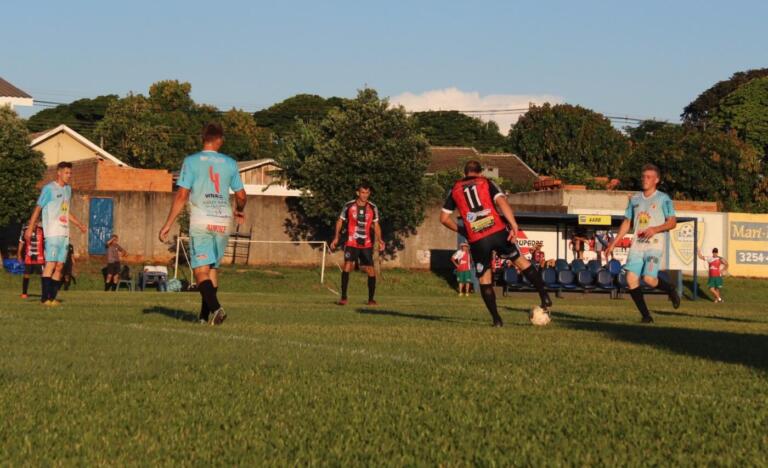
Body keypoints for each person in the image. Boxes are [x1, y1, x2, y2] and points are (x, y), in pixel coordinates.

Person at [440, 160, 552, 327]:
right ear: (479, 172)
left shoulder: (455, 189)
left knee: (485, 279)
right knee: (521, 262)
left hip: (477, 239)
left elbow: (443, 219)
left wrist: (463, 231)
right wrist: (513, 225)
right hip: (498, 232)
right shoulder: (486, 182)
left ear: (465, 173)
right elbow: (502, 202)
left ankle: (497, 319)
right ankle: (544, 295)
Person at [159, 123, 247, 326]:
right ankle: (203, 317)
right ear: (220, 139)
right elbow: (241, 196)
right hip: (223, 221)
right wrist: (240, 209)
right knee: (212, 269)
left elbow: (182, 194)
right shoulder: (231, 163)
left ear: (203, 138)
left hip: (201, 220)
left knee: (200, 271)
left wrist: (168, 223)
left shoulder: (191, 161)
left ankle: (217, 309)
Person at [605, 164, 681, 323]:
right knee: (631, 280)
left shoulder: (663, 199)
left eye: (649, 177)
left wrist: (656, 229)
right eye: (643, 176)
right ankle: (646, 316)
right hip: (637, 246)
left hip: (654, 245)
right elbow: (627, 223)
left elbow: (672, 222)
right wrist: (613, 243)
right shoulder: (635, 199)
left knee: (648, 279)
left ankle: (670, 289)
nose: (644, 180)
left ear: (656, 180)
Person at [25, 161, 87, 306]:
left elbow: (64, 210)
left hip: (64, 233)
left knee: (60, 266)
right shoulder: (49, 189)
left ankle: (52, 299)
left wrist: (78, 224)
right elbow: (38, 208)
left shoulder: (68, 190)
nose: (69, 175)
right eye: (66, 172)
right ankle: (44, 299)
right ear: (58, 172)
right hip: (52, 232)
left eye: (70, 173)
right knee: (51, 264)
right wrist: (30, 228)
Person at [330, 182, 385, 305]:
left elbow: (375, 225)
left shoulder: (372, 207)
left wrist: (380, 239)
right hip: (351, 242)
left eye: (367, 193)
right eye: (362, 192)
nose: (365, 195)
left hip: (366, 244)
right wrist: (336, 237)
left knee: (371, 270)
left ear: (369, 193)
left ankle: (371, 300)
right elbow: (340, 221)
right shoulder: (348, 206)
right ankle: (343, 298)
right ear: (358, 193)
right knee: (347, 266)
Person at [17, 220, 45, 299]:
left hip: (40, 258)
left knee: (43, 275)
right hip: (28, 257)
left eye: (36, 222)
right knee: (26, 274)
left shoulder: (42, 230)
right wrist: (19, 254)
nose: (34, 224)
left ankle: (45, 293)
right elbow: (21, 242)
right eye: (32, 223)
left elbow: (45, 243)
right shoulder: (25, 231)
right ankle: (24, 293)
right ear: (29, 223)